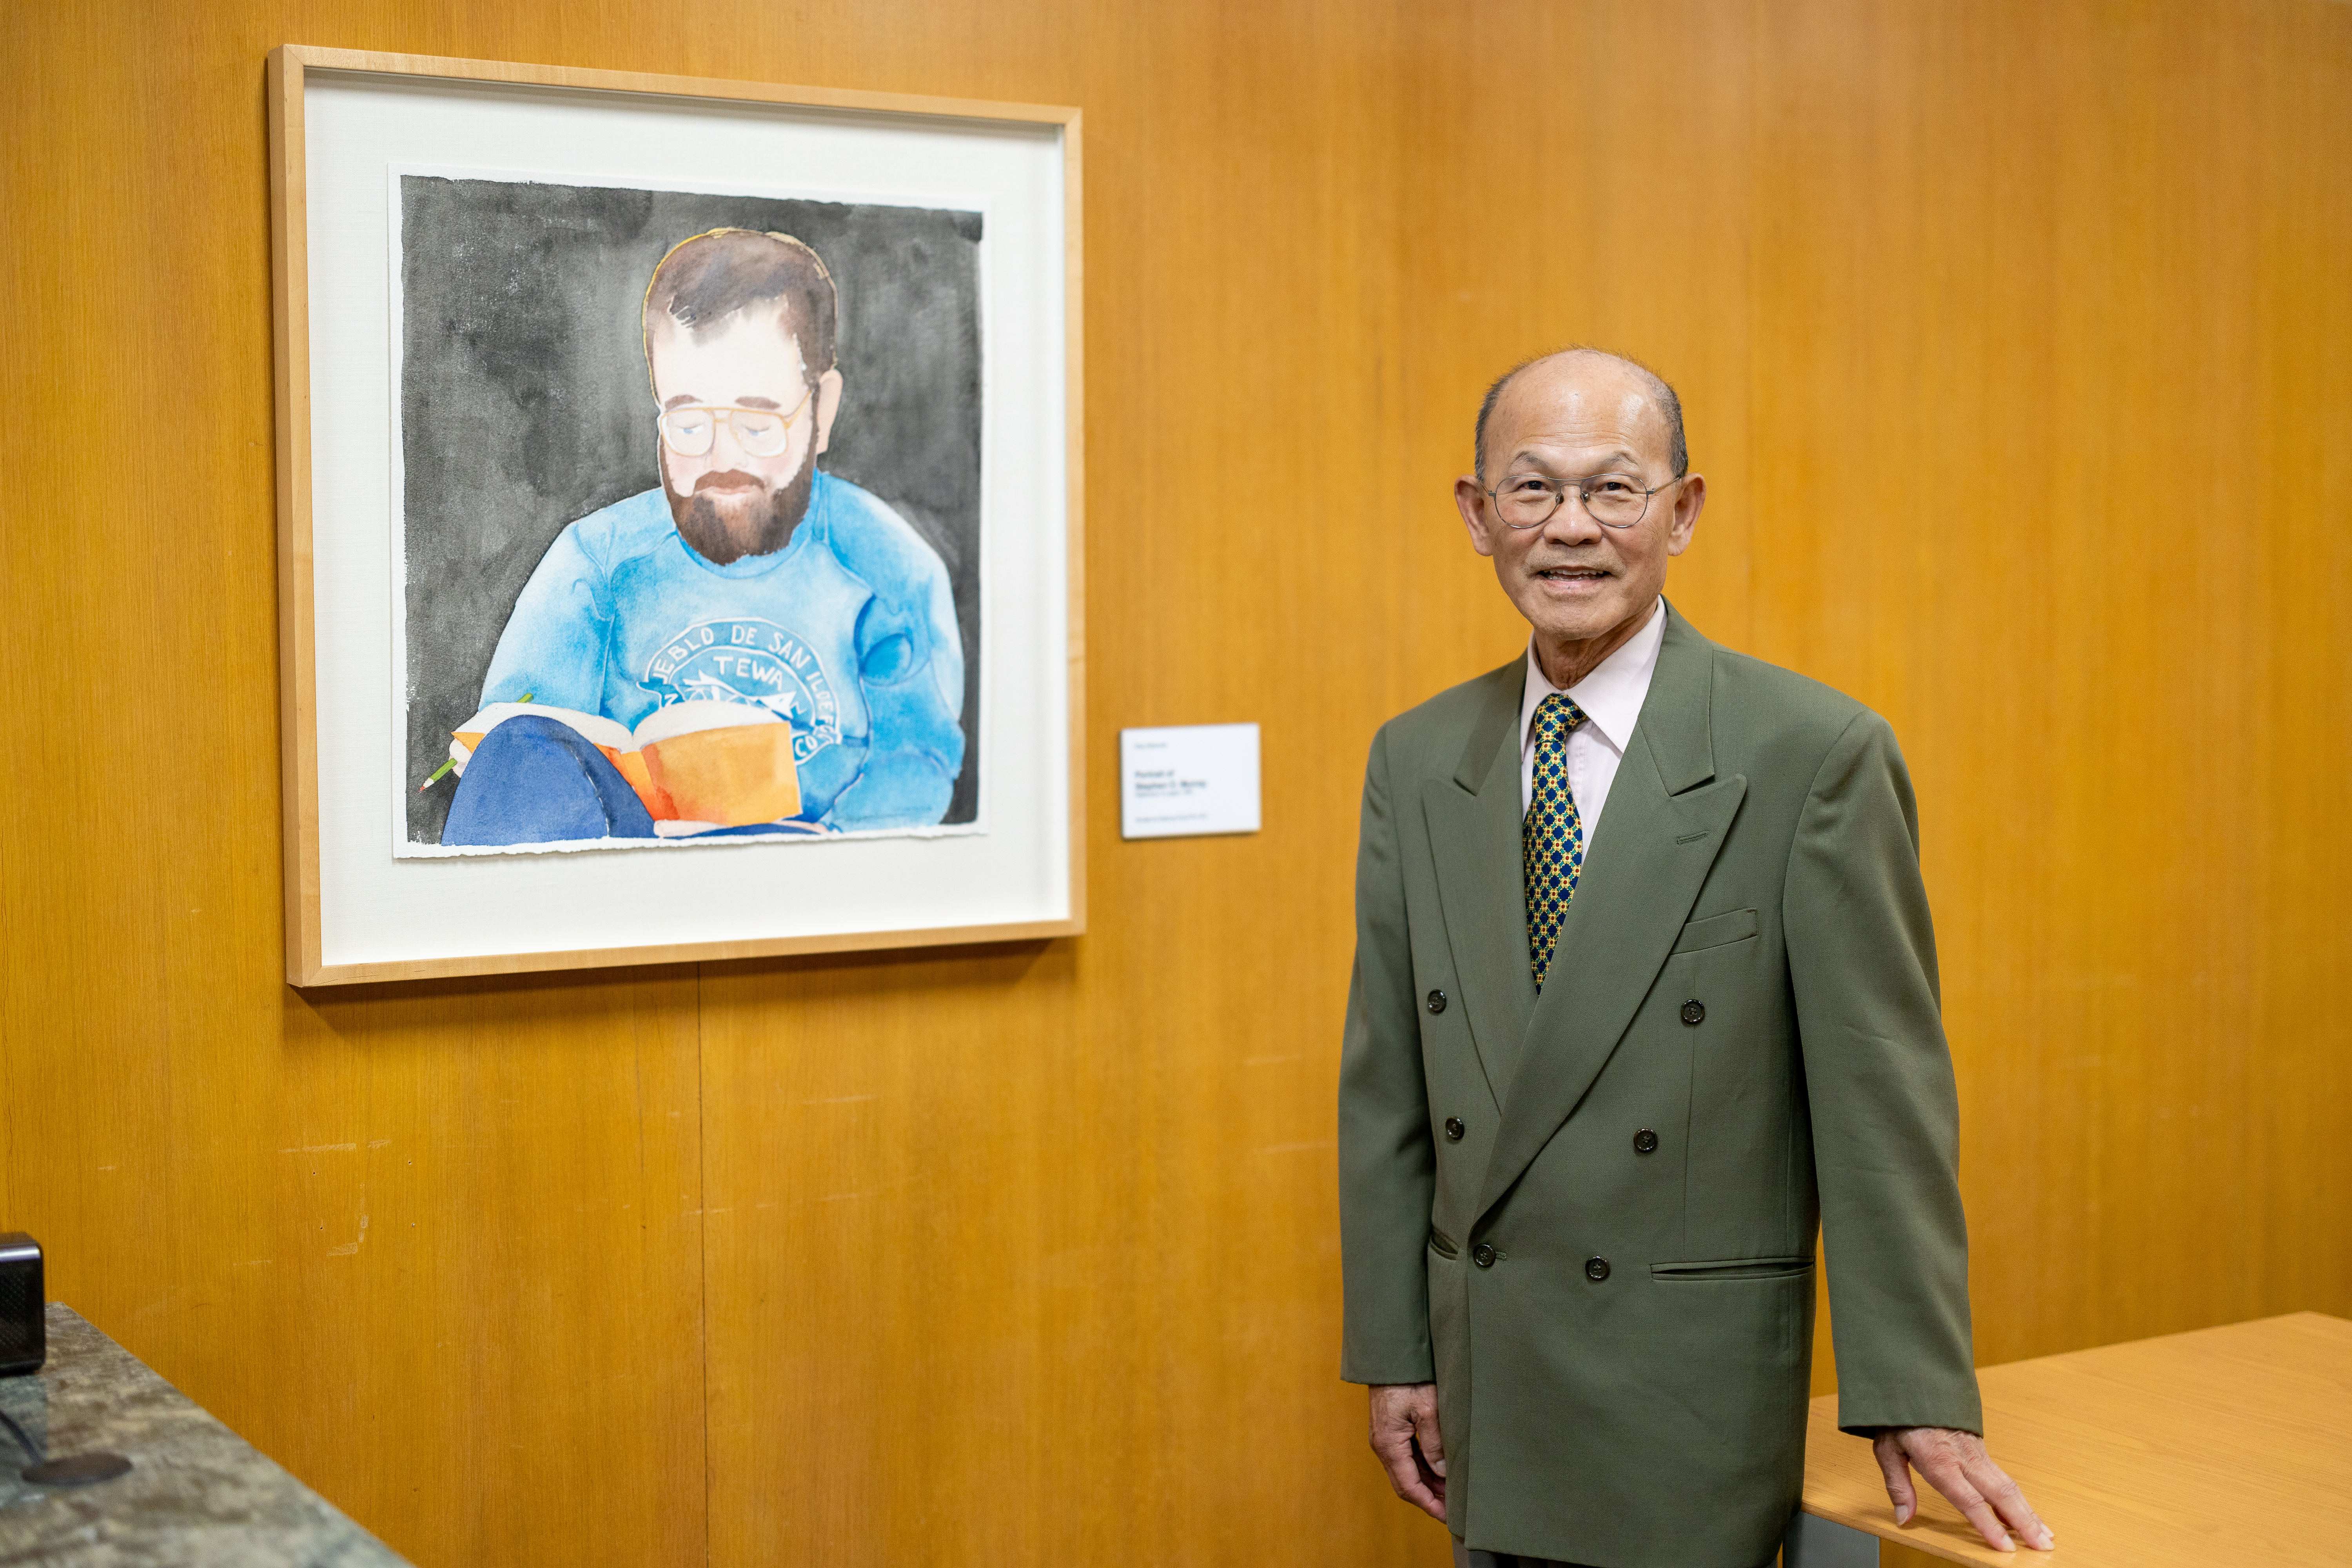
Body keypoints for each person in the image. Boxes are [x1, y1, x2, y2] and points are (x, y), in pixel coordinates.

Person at [1336, 349, 2054, 1567]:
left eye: (1616, 490)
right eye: (1532, 491)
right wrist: (1397, 1349)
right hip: (1489, 1383)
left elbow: (1879, 1098)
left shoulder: (1812, 754)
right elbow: (1390, 1089)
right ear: (1476, 515)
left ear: (1684, 510)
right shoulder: (1416, 760)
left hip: (1686, 1392)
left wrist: (1917, 1387)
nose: (1572, 529)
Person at [441, 227, 964, 845]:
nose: (721, 459)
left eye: (758, 422)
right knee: (522, 752)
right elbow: (515, 756)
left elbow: (916, 769)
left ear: (821, 412)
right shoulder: (598, 560)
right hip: (621, 879)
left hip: (810, 875)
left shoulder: (890, 569)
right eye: (689, 421)